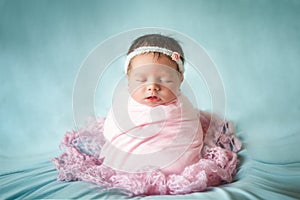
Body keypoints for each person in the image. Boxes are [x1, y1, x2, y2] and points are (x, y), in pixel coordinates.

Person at [52, 34, 242, 195]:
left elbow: (190, 135)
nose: (152, 86)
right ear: (128, 79)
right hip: (125, 164)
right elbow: (111, 132)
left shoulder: (183, 109)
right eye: (141, 79)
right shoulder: (123, 104)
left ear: (180, 79)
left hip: (179, 168)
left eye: (164, 79)